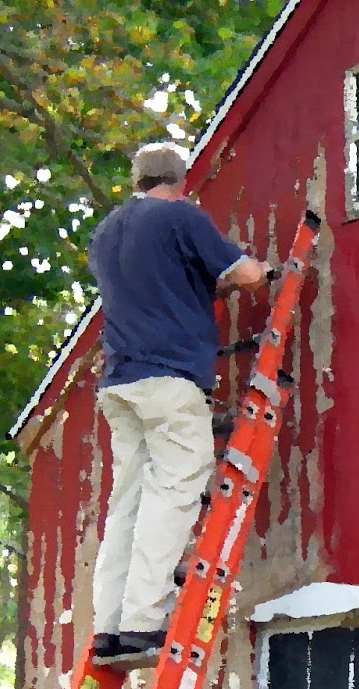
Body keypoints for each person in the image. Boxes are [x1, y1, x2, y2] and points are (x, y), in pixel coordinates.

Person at [87, 142, 269, 662]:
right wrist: (258, 268)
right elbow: (247, 274)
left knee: (128, 501)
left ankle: (110, 624)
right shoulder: (180, 219)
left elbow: (159, 286)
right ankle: (145, 619)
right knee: (176, 486)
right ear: (180, 180)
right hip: (168, 377)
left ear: (136, 180)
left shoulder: (106, 233)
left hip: (120, 381)